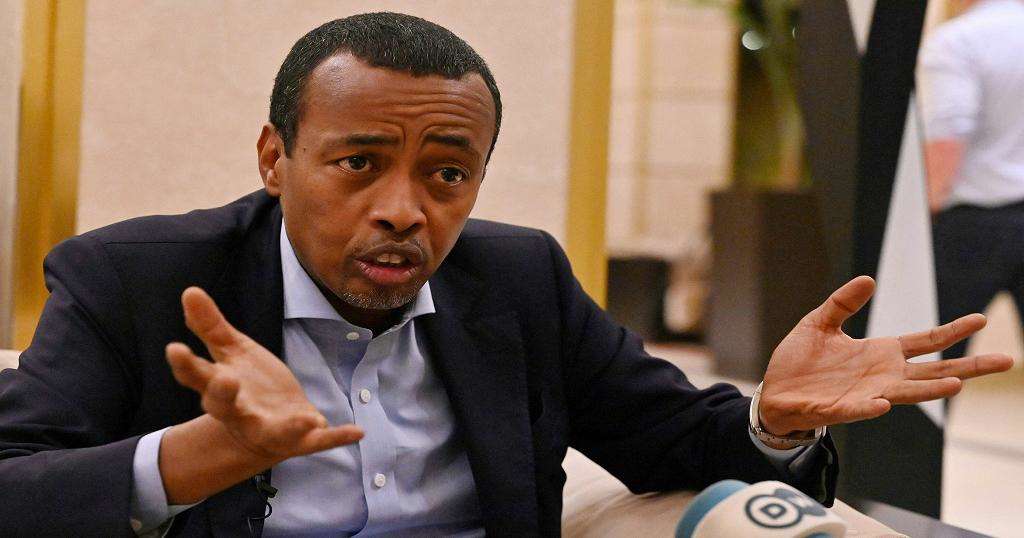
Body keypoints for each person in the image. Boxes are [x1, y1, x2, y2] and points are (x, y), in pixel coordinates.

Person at [0, 12, 1011, 537]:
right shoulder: (132, 280)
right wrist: (199, 456)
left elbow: (666, 436)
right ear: (276, 158)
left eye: (447, 173)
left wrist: (772, 421)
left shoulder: (516, 279)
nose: (404, 208)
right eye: (359, 163)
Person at [920, 0, 1024, 361]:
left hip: (973, 224)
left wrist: (926, 212)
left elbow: (948, 135)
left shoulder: (957, 40)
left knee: (934, 356)